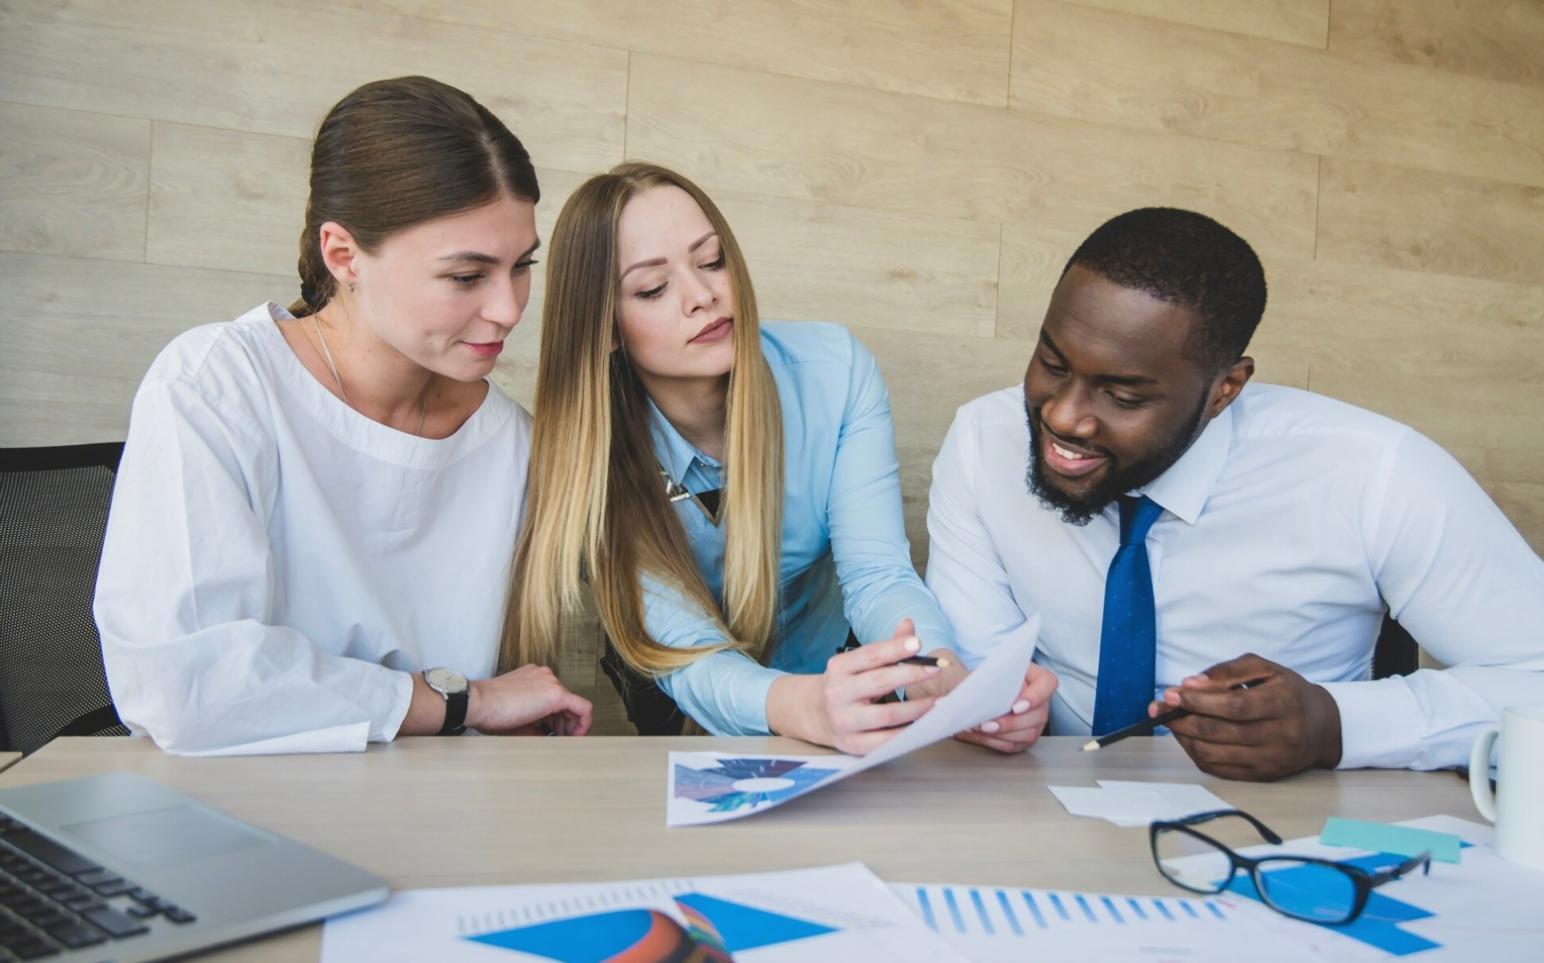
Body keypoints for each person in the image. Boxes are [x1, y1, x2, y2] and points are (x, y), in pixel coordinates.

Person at [924, 206, 1544, 780]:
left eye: (1123, 394)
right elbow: (976, 664)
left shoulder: (1374, 472)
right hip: (1035, 812)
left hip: (1284, 837)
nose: (1064, 416)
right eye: (1052, 362)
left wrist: (1337, 724)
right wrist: (989, 705)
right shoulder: (986, 439)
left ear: (1226, 388)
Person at [94, 76, 593, 755]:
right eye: (467, 276)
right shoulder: (216, 384)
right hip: (236, 817)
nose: (508, 308)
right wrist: (462, 700)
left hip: (443, 818)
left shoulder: (511, 444)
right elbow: (189, 688)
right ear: (343, 254)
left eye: (521, 267)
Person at [499, 162, 1055, 753]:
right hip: (681, 686)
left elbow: (877, 574)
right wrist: (798, 706)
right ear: (603, 326)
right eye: (653, 289)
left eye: (712, 260)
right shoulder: (591, 450)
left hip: (824, 667)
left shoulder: (837, 372)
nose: (704, 296)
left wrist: (941, 679)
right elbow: (683, 651)